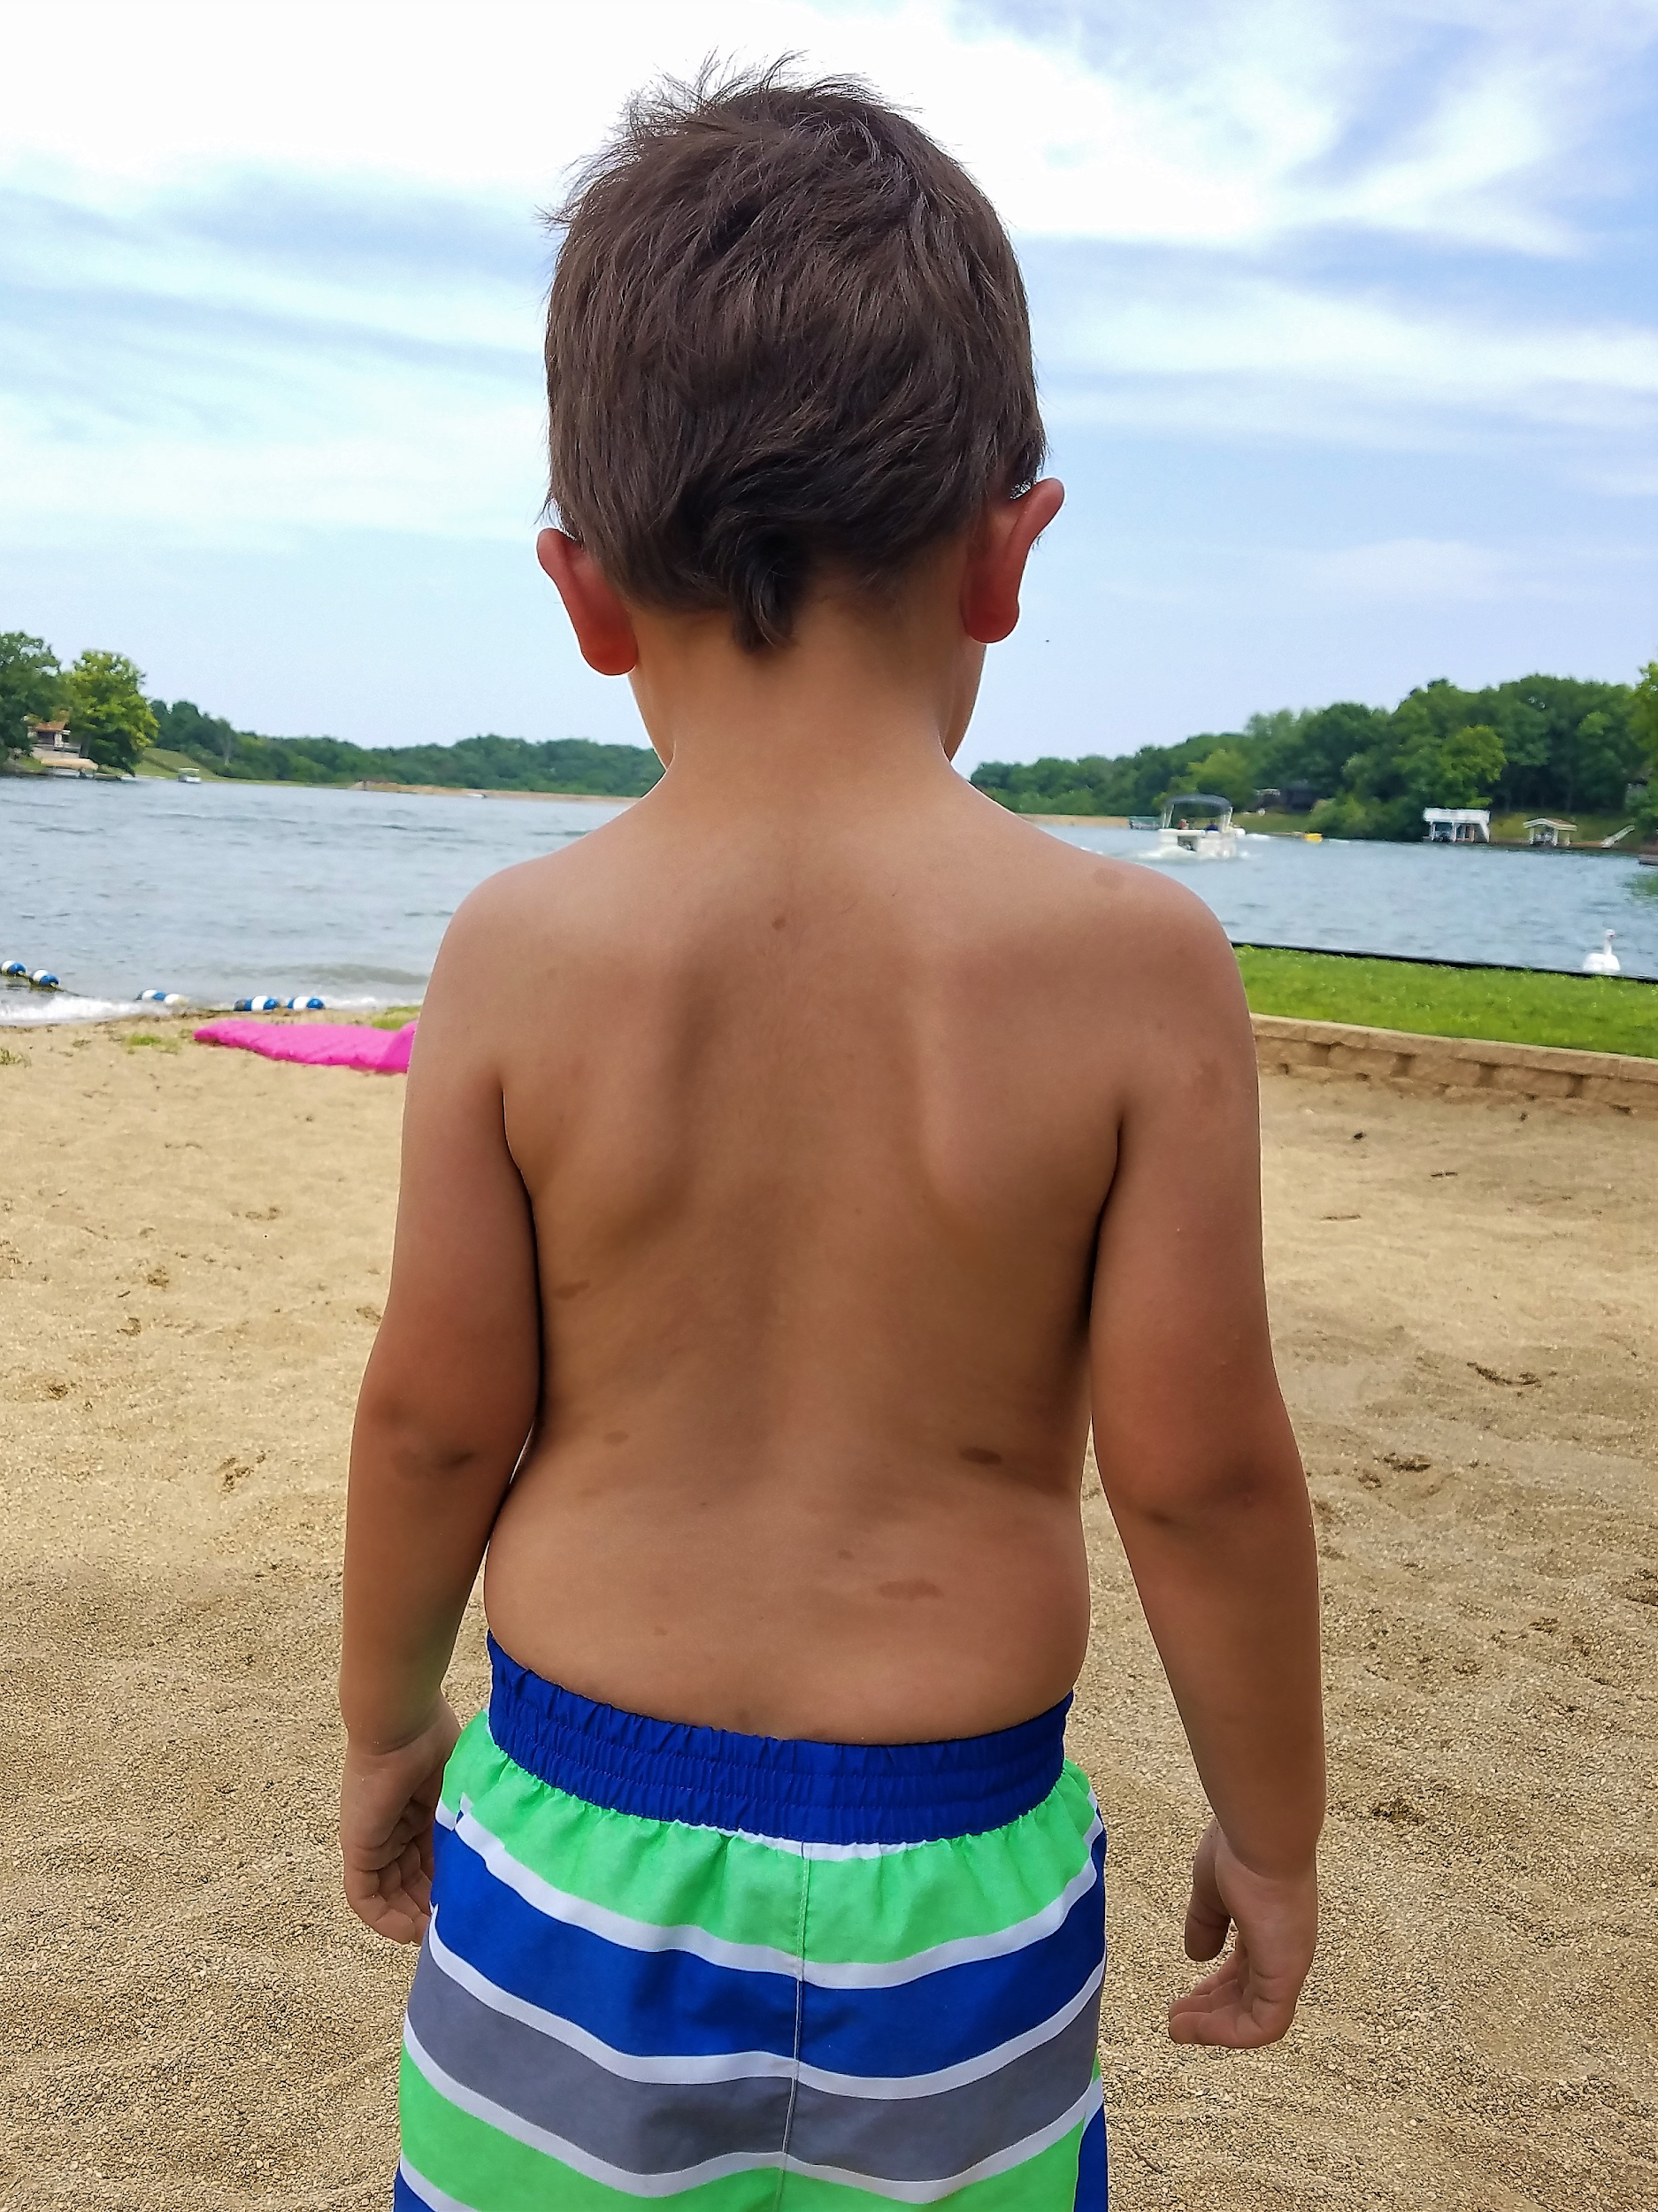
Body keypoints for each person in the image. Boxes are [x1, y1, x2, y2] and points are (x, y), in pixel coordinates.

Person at [339, 65, 1324, 2212]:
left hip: (581, 1842)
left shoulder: (521, 951)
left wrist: (387, 1715)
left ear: (584, 596)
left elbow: (431, 1419)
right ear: (1008, 551)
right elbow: (1202, 1469)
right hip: (947, 1881)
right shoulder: (1133, 963)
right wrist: (1270, 1822)